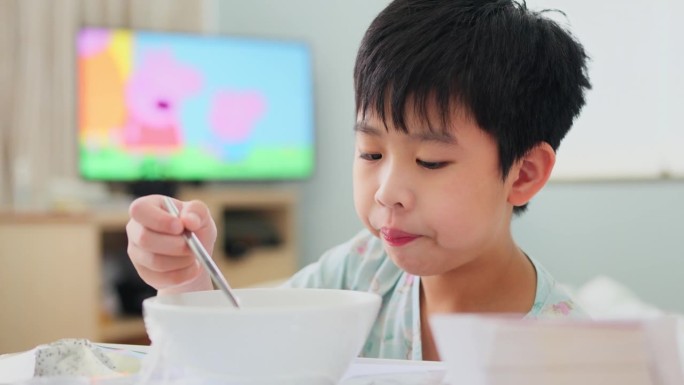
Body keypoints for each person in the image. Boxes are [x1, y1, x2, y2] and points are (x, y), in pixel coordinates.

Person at [126, 0, 591, 362]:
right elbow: (237, 352)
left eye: (430, 161)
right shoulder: (362, 270)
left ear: (524, 174)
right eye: (371, 152)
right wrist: (186, 279)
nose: (387, 191)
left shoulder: (566, 354)